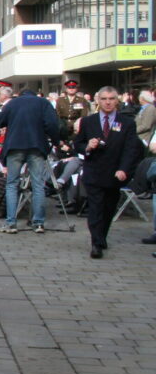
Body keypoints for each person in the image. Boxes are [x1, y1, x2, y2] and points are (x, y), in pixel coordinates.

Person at [72, 87, 142, 258]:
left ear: (117, 100)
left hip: (115, 172)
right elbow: (78, 144)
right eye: (104, 99)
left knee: (108, 208)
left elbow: (131, 149)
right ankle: (96, 243)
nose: (108, 102)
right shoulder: (88, 121)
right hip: (94, 171)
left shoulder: (127, 122)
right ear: (98, 100)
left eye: (111, 98)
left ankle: (102, 236)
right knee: (95, 207)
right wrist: (88, 146)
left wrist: (124, 169)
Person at [0, 85, 60, 234]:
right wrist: (54, 141)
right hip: (36, 146)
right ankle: (39, 223)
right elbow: (53, 124)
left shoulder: (12, 103)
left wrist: (3, 107)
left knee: (12, 184)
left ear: (19, 95)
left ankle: (11, 223)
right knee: (38, 185)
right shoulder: (43, 103)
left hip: (14, 146)